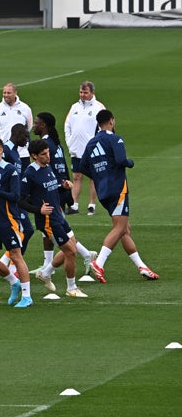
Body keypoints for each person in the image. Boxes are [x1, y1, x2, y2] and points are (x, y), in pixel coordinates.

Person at [77, 110, 158, 282]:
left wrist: (99, 175)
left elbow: (82, 166)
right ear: (111, 121)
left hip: (102, 191)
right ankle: (99, 263)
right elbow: (121, 160)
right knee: (120, 228)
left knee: (124, 229)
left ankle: (141, 266)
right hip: (117, 188)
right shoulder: (115, 139)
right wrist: (130, 162)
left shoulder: (91, 142)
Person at [20, 139, 89, 299]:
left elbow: (49, 188)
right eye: (43, 154)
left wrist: (62, 186)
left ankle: (45, 273)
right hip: (48, 221)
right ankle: (71, 288)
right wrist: (38, 210)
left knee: (71, 248)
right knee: (71, 252)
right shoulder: (30, 173)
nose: (48, 156)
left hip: (59, 216)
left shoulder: (47, 167)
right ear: (34, 156)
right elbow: (20, 200)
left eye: (48, 153)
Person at [32, 112, 98, 275]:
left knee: (55, 229)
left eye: (36, 123)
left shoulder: (45, 145)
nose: (33, 126)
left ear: (43, 125)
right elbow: (63, 168)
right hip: (59, 190)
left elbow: (48, 170)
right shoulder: (55, 143)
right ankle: (49, 264)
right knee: (54, 229)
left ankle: (83, 255)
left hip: (52, 191)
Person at [0, 136, 33, 308]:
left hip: (8, 221)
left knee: (16, 256)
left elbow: (15, 196)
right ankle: (14, 282)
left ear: (0, 150)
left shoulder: (10, 170)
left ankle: (27, 297)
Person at [64, 81, 106, 215]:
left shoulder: (99, 108)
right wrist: (69, 142)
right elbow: (67, 126)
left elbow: (103, 128)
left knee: (93, 177)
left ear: (92, 93)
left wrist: (96, 145)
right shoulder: (74, 107)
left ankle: (91, 205)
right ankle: (74, 205)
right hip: (76, 149)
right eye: (81, 92)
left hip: (91, 150)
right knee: (76, 176)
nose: (82, 95)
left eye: (85, 92)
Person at [0, 83, 33, 162]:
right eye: (4, 93)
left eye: (9, 93)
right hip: (5, 152)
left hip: (22, 153)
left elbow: (29, 127)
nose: (6, 95)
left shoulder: (25, 108)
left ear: (15, 93)